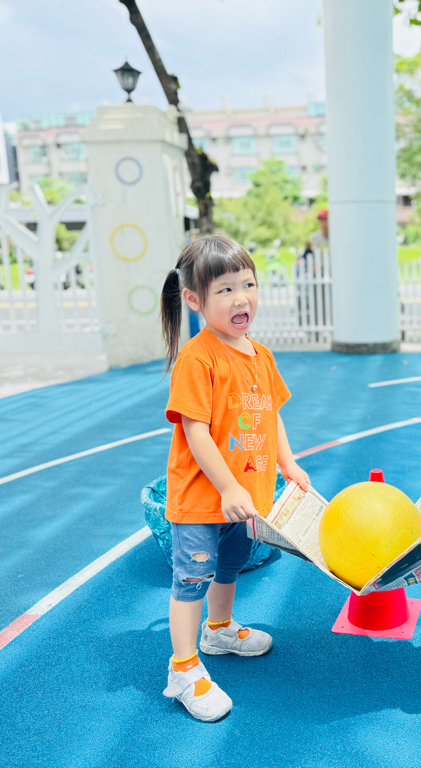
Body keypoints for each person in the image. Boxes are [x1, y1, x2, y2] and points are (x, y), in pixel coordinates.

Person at [158, 235, 310, 722]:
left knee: (231, 565)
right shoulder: (198, 358)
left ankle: (218, 629)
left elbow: (271, 415)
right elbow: (194, 429)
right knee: (193, 577)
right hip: (204, 500)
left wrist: (288, 463)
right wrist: (226, 486)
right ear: (195, 300)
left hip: (246, 499)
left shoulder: (260, 355)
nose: (241, 298)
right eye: (225, 290)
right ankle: (183, 668)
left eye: (248, 285)